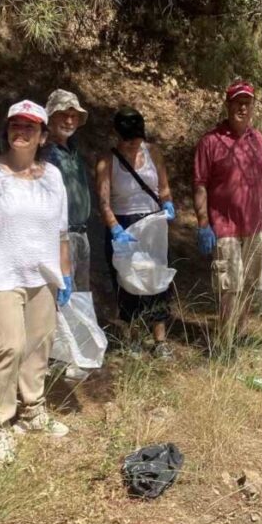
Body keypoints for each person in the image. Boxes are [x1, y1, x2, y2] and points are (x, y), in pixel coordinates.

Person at [0, 100, 73, 465]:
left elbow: (61, 232)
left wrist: (65, 274)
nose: (21, 132)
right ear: (7, 131)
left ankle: (33, 410)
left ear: (42, 136)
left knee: (38, 346)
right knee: (8, 348)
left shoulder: (53, 177)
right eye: (15, 126)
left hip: (41, 277)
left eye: (29, 127)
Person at [193, 81, 262, 344]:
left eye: (247, 103)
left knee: (248, 287)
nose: (242, 108)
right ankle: (225, 342)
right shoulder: (211, 142)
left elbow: (261, 181)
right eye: (237, 103)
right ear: (228, 105)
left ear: (253, 107)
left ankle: (241, 335)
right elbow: (199, 184)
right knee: (229, 288)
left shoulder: (257, 139)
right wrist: (203, 223)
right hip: (224, 229)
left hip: (255, 228)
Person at [96, 107, 176, 360]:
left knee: (157, 278)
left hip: (152, 225)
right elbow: (104, 201)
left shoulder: (153, 153)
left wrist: (168, 204)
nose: (133, 144)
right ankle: (132, 337)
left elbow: (163, 189)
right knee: (126, 282)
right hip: (124, 225)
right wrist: (115, 229)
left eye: (136, 139)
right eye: (127, 140)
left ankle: (159, 340)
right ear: (118, 137)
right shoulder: (107, 161)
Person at [44, 89, 92, 293]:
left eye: (74, 116)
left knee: (81, 295)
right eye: (64, 115)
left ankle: (79, 327)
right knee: (64, 294)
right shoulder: (46, 152)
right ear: (50, 118)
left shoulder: (73, 149)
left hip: (81, 233)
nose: (69, 121)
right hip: (60, 236)